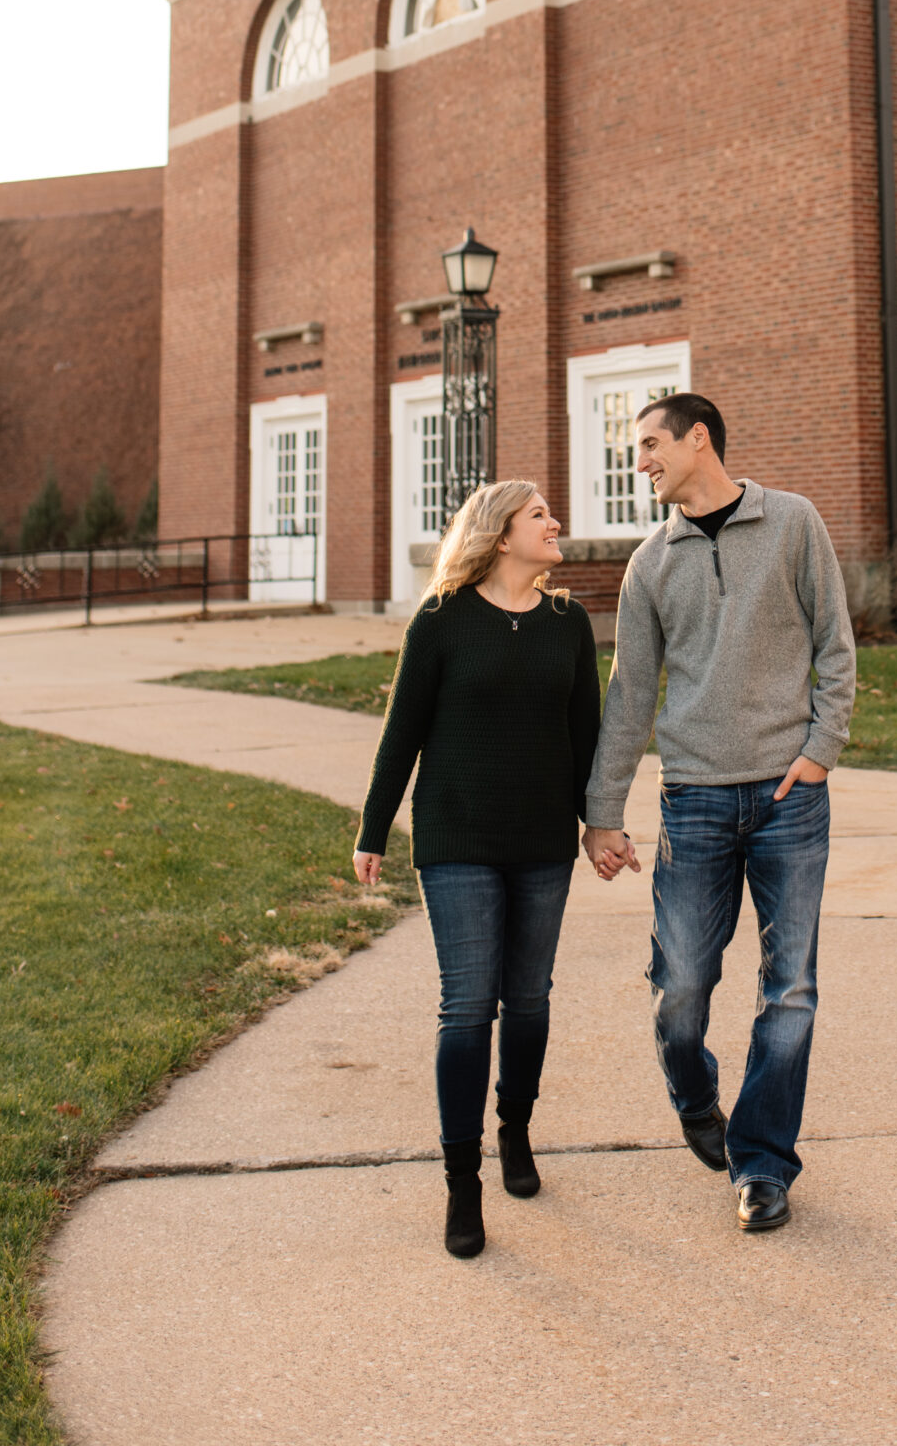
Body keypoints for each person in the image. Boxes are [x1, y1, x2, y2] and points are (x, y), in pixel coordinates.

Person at [583, 392, 855, 1233]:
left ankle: (763, 1164)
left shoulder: (794, 523)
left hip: (788, 798)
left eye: (651, 444)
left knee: (792, 987)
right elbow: (630, 696)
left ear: (699, 440)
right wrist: (602, 811)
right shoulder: (650, 563)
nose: (643, 463)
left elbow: (834, 646)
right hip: (694, 799)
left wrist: (819, 751)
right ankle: (695, 1095)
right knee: (682, 986)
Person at [353, 479, 600, 1260]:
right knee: (467, 1008)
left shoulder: (569, 623)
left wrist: (602, 825)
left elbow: (587, 737)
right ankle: (464, 1183)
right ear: (500, 536)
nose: (555, 524)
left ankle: (516, 1131)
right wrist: (372, 829)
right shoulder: (440, 621)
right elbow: (403, 732)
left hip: (541, 841)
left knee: (527, 998)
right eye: (539, 516)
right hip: (457, 837)